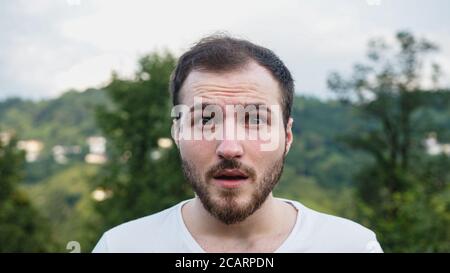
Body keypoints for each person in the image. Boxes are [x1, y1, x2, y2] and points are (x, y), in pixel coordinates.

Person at [93, 34, 383, 253]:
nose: (229, 147)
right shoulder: (120, 247)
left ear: (288, 137)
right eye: (205, 120)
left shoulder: (352, 247)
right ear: (177, 133)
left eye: (255, 120)